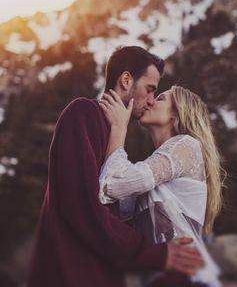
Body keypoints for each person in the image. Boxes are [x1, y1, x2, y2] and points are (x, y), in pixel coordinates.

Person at [27, 46, 204, 287]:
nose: (151, 100)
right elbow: (82, 207)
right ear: (126, 80)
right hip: (68, 274)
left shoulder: (115, 139)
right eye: (150, 90)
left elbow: (115, 215)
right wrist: (157, 254)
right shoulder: (83, 113)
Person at [99, 85, 224, 287]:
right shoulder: (156, 171)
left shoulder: (187, 145)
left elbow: (112, 184)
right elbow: (111, 199)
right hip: (163, 278)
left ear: (176, 114)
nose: (150, 101)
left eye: (160, 98)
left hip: (189, 278)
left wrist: (119, 128)